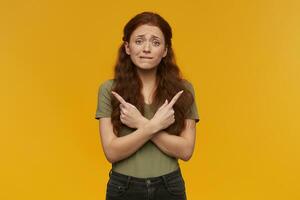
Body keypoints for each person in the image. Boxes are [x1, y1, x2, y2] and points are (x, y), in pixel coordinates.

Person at [95, 11, 200, 200]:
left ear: (165, 50)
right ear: (127, 47)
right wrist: (153, 125)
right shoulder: (109, 89)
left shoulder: (183, 89)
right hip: (123, 187)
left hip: (170, 186)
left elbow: (186, 150)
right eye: (139, 41)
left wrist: (140, 123)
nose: (146, 48)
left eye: (156, 42)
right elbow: (111, 151)